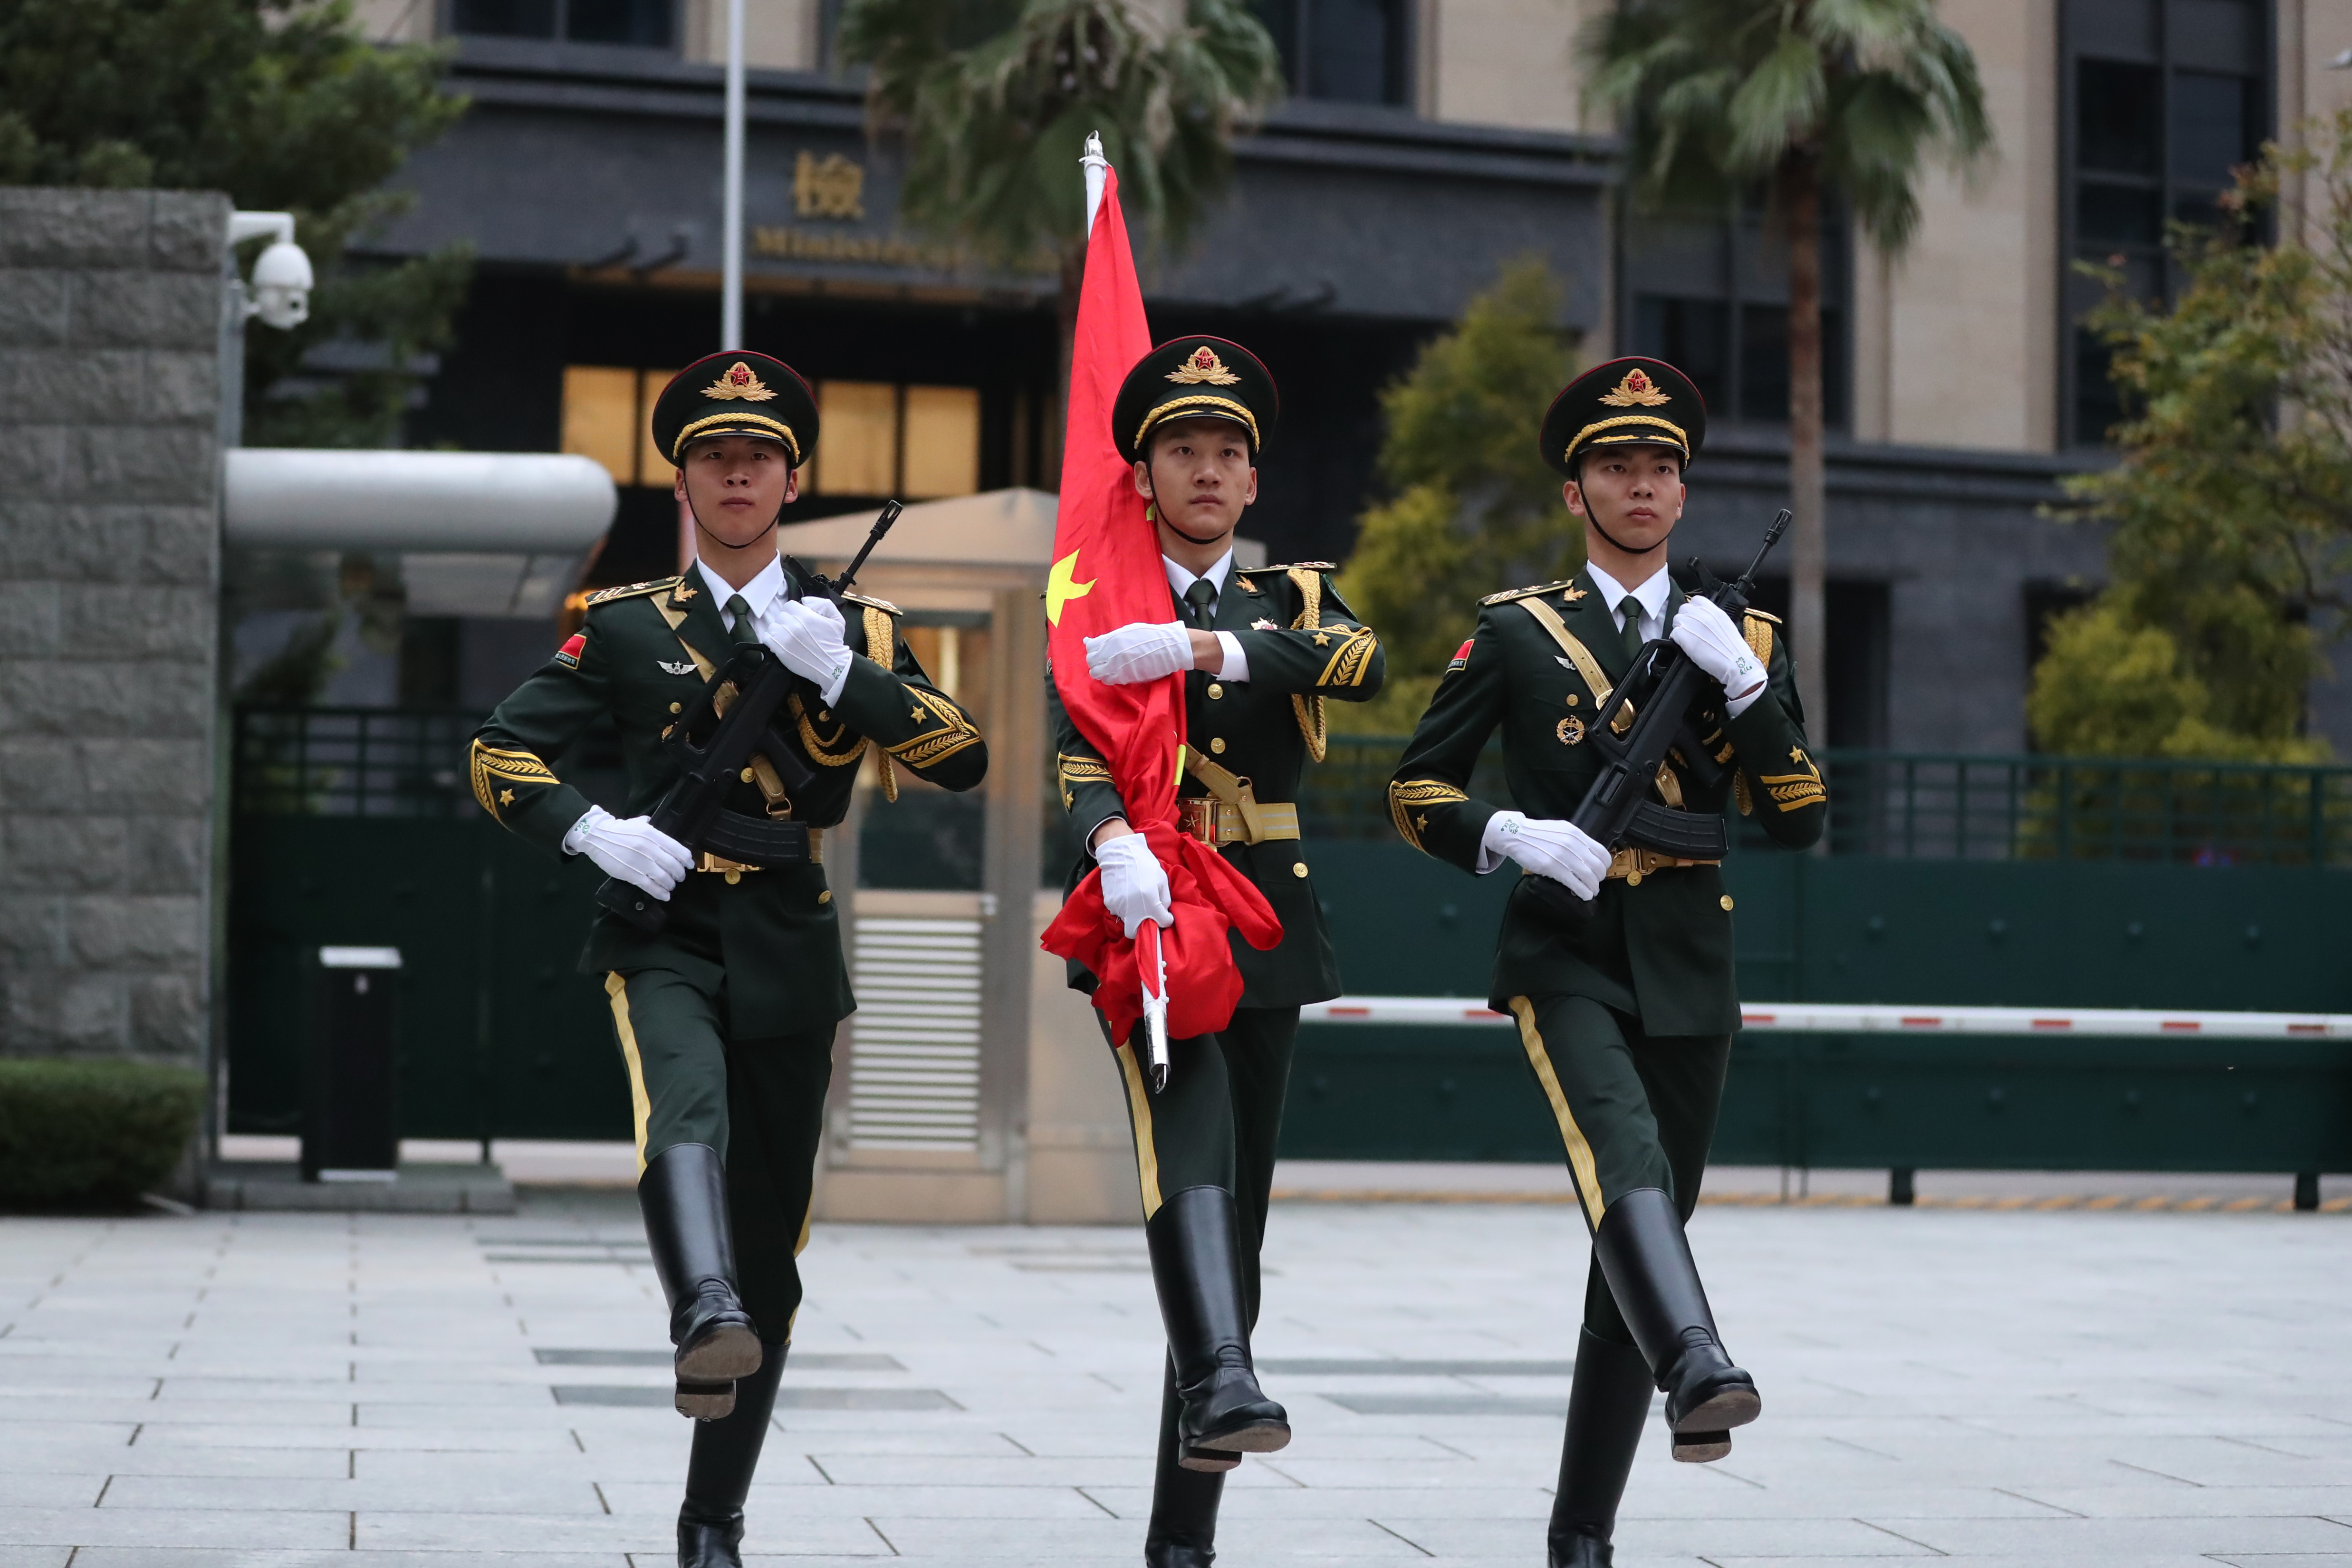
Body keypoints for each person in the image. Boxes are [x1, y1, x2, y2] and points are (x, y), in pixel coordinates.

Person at [467, 350, 987, 1568]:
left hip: (792, 937)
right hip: (667, 931)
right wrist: (599, 833)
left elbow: (962, 754)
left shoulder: (854, 622)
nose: (737, 473)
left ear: (792, 479)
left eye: (758, 458)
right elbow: (502, 753)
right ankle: (697, 1306)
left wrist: (841, 673)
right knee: (682, 1109)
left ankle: (715, 1517)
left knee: (775, 1252)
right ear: (685, 484)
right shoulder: (628, 625)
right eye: (714, 458)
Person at [1386, 357, 1825, 1568]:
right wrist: (1509, 836)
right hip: (1566, 950)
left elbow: (1798, 816)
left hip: (1691, 954)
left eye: (1663, 468)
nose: (1643, 485)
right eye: (1617, 467)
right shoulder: (1518, 630)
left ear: (1684, 494)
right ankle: (1698, 1359)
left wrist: (1744, 686)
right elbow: (1415, 787)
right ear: (1576, 491)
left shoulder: (1747, 634)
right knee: (1621, 1160)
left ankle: (1582, 1537)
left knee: (1645, 1233)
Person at [1049, 337, 1384, 1568]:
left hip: (1261, 922)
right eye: (1180, 449)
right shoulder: (1096, 601)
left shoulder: (1291, 596)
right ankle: (1229, 1376)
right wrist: (1105, 843)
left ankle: (1181, 1532)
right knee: (1184, 1135)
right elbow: (1073, 753)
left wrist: (1205, 650)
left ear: (1251, 482)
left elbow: (1361, 662)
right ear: (1142, 475)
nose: (1204, 468)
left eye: (1225, 452)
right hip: (1147, 909)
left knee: (1231, 1228)